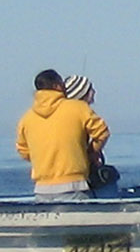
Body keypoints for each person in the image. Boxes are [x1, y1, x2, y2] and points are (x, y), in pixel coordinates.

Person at [16, 68, 110, 199]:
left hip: (42, 189)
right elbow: (102, 132)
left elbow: (23, 150)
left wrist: (46, 159)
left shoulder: (26, 118)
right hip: (74, 185)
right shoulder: (78, 108)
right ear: (57, 86)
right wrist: (91, 153)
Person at [64, 75, 120, 193]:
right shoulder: (82, 112)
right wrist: (92, 153)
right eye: (91, 89)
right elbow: (102, 133)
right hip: (80, 175)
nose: (94, 92)